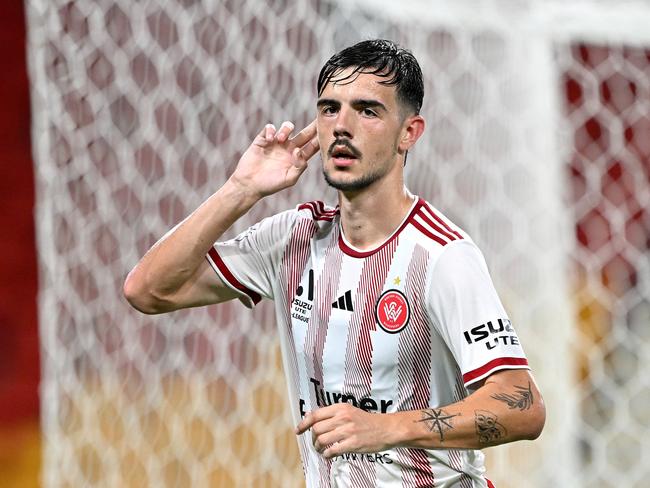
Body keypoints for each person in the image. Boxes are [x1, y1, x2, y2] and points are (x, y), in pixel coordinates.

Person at [124, 39, 545, 488]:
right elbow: (148, 290)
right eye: (329, 109)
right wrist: (241, 188)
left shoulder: (442, 256)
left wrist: (387, 427)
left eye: (367, 110)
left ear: (409, 132)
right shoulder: (293, 238)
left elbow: (522, 405)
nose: (342, 126)